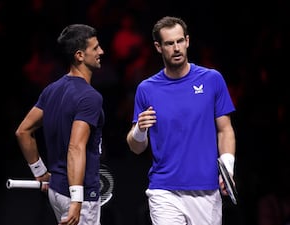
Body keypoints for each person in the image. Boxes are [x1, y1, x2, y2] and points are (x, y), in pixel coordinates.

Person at [126, 16, 236, 225]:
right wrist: (139, 130)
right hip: (164, 190)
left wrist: (227, 167)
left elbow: (225, 130)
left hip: (206, 190)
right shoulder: (146, 89)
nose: (176, 48)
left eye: (179, 41)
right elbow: (136, 147)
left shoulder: (212, 79)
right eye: (169, 43)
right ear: (159, 47)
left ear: (187, 41)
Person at [15, 24, 105, 225]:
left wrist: (40, 173)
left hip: (56, 191)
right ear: (80, 55)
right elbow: (75, 147)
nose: (101, 52)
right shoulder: (90, 98)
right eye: (96, 48)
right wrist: (76, 199)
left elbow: (23, 131)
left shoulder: (51, 90)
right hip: (78, 195)